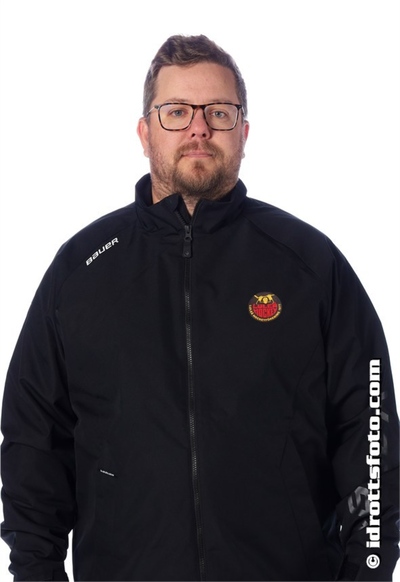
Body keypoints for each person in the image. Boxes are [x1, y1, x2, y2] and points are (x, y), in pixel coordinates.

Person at [1, 34, 399, 582]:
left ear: (243, 132)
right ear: (145, 132)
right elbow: (32, 443)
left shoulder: (310, 265)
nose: (198, 128)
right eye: (176, 111)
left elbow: (370, 431)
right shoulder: (81, 272)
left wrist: (369, 568)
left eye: (218, 112)